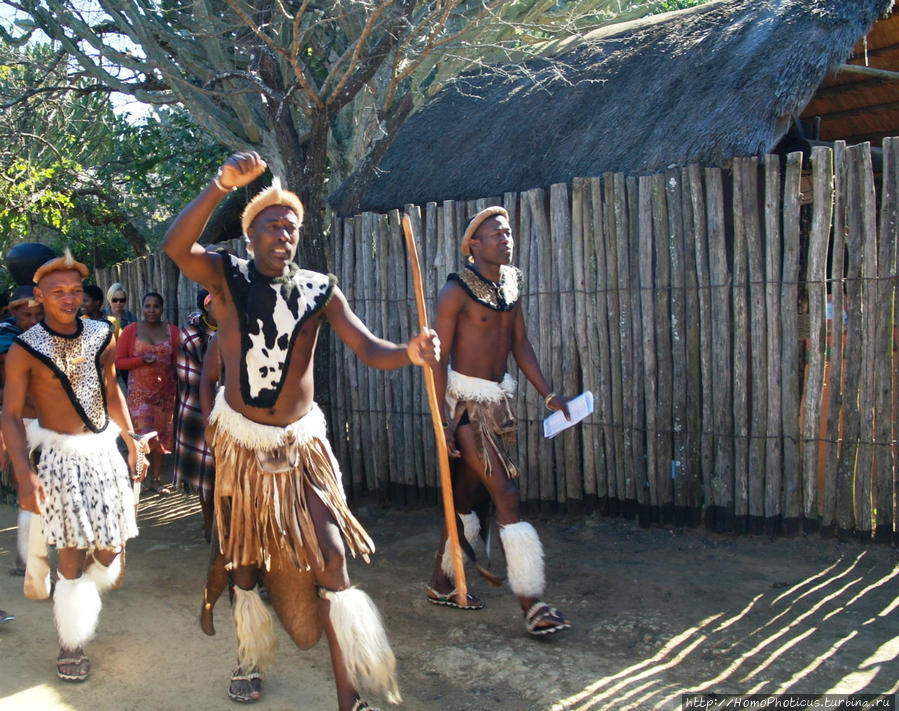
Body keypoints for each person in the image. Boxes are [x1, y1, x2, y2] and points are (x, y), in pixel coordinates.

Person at [162, 151, 439, 709]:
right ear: (251, 235)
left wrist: (409, 351)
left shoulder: (320, 290)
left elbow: (368, 347)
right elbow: (176, 247)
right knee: (242, 558)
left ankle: (351, 695)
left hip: (300, 444)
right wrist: (221, 184)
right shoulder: (228, 277)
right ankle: (249, 655)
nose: (283, 233)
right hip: (241, 442)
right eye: (272, 225)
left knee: (332, 556)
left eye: (291, 226)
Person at [0, 249, 145, 682]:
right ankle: (71, 642)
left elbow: (110, 389)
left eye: (76, 290)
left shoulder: (103, 333)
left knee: (110, 549)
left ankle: (81, 583)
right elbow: (9, 414)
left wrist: (131, 438)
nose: (69, 298)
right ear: (39, 297)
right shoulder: (25, 348)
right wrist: (24, 475)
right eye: (57, 291)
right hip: (59, 458)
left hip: (102, 453)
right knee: (72, 554)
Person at [427, 206, 572, 637]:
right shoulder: (455, 292)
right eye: (496, 234)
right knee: (506, 494)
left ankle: (440, 582)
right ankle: (532, 603)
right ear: (474, 245)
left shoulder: (511, 283)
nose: (506, 240)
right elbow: (437, 357)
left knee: (471, 501)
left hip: (499, 405)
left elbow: (519, 342)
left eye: (508, 233)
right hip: (468, 407)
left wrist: (547, 393)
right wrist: (442, 420)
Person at [0, 286, 44, 579]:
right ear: (14, 313)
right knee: (25, 487)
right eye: (26, 315)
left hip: (45, 424)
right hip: (16, 422)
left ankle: (27, 557)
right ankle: (24, 558)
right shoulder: (6, 342)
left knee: (38, 488)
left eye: (37, 315)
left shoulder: (49, 340)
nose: (31, 320)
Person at [115, 292, 178, 493]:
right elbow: (118, 362)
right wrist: (140, 361)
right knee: (141, 437)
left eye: (156, 306)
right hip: (139, 394)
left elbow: (179, 361)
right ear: (142, 308)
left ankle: (156, 480)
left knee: (161, 438)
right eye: (148, 306)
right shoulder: (131, 330)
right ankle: (138, 478)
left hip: (165, 394)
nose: (152, 310)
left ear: (162, 309)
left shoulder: (172, 331)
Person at [174, 289, 217, 539]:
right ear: (206, 305)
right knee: (205, 472)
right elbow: (190, 378)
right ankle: (209, 523)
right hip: (197, 408)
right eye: (216, 301)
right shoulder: (190, 336)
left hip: (230, 407)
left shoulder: (233, 328)